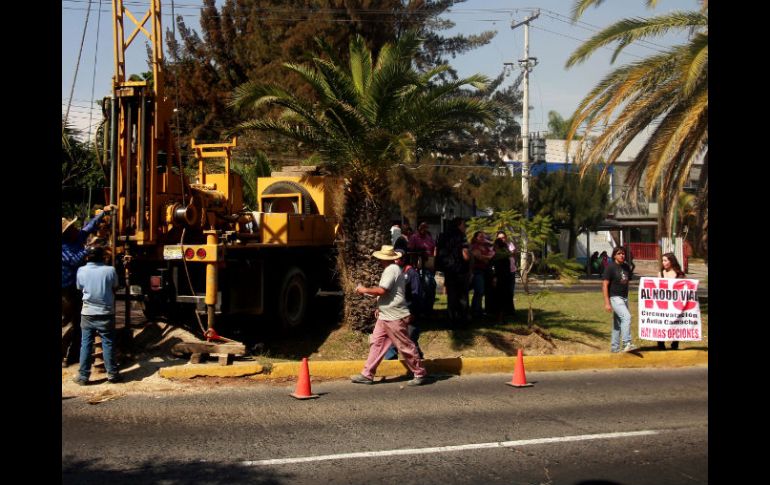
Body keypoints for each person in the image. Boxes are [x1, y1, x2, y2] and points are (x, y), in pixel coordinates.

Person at [350, 245, 429, 386]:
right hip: (386, 314)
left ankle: (420, 373)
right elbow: (388, 293)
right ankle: (367, 374)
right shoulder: (392, 269)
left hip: (393, 315)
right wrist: (380, 307)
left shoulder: (391, 270)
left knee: (404, 345)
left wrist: (363, 289)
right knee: (377, 343)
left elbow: (382, 290)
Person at [62, 205, 115, 367]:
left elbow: (88, 227)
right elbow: (74, 260)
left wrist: (103, 214)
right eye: (72, 228)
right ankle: (64, 355)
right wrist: (88, 248)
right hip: (65, 290)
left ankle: (74, 356)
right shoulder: (64, 246)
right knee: (68, 323)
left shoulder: (77, 236)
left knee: (79, 322)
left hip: (75, 287)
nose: (75, 228)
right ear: (66, 233)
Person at [72, 245, 121, 385]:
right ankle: (112, 375)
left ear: (88, 257)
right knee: (108, 343)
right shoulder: (110, 270)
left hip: (87, 313)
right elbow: (115, 285)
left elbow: (80, 287)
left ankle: (83, 377)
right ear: (102, 257)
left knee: (86, 344)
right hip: (106, 313)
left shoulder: (81, 270)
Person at [383, 250, 424, 360]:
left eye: (397, 258)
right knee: (390, 338)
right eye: (394, 258)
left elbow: (417, 295)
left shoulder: (411, 274)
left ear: (403, 259)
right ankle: (391, 362)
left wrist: (413, 313)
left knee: (409, 340)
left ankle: (419, 364)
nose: (395, 260)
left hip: (408, 313)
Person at [435, 217, 471, 327]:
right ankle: (463, 321)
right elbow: (465, 255)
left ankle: (451, 320)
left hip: (448, 270)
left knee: (451, 296)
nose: (465, 227)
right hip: (460, 270)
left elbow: (438, 252)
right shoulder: (461, 236)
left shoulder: (443, 235)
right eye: (464, 225)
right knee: (463, 296)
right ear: (459, 225)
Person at [602, 246, 636, 353]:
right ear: (614, 255)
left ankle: (615, 348)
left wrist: (626, 297)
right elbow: (605, 285)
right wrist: (607, 303)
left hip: (624, 298)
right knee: (626, 317)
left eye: (623, 254)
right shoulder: (610, 267)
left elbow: (627, 281)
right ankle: (627, 342)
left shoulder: (626, 267)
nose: (622, 255)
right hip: (615, 298)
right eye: (619, 253)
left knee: (617, 324)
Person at [657, 252, 685, 351]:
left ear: (671, 261)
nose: (663, 263)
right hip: (663, 304)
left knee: (676, 323)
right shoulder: (660, 273)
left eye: (665, 260)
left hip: (676, 304)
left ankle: (675, 344)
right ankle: (660, 344)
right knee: (662, 323)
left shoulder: (679, 274)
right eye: (663, 261)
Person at [408, 222, 437, 314]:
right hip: (419, 267)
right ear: (418, 227)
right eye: (422, 227)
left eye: (426, 227)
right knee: (425, 286)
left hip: (429, 266)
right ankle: (422, 310)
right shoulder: (414, 237)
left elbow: (433, 248)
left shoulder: (429, 237)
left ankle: (428, 309)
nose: (424, 229)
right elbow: (410, 251)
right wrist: (420, 252)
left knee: (431, 286)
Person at [469, 231, 494, 318]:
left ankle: (479, 310)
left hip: (486, 271)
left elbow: (489, 258)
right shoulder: (474, 246)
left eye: (484, 236)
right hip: (477, 271)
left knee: (482, 292)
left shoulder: (485, 247)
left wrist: (485, 257)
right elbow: (478, 256)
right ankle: (475, 311)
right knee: (479, 291)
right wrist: (487, 258)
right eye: (480, 237)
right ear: (476, 238)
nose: (483, 238)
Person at [490, 238, 514, 322]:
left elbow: (495, 268)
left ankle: (499, 317)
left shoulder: (498, 256)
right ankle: (503, 316)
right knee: (504, 297)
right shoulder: (506, 254)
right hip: (506, 278)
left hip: (500, 279)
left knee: (499, 298)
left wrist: (494, 277)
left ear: (497, 245)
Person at [496, 231, 517, 313]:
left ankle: (510, 309)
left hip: (511, 270)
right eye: (500, 238)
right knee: (503, 292)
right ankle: (502, 311)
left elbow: (513, 253)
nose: (502, 239)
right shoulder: (496, 247)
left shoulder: (509, 244)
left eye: (503, 237)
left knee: (511, 291)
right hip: (502, 272)